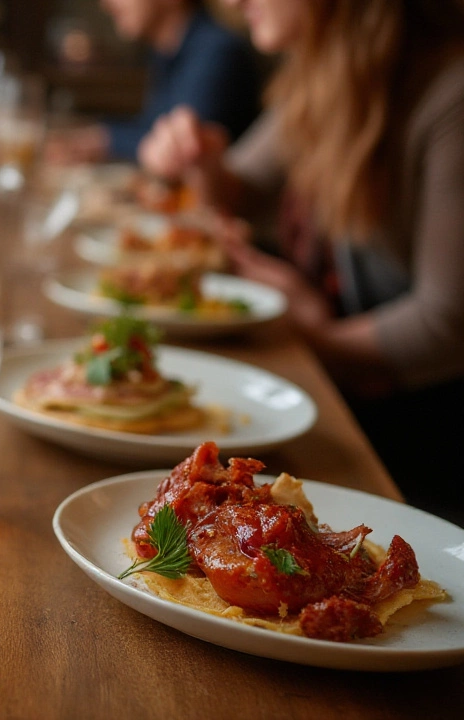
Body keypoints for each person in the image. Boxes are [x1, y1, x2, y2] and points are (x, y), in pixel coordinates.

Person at [138, 0, 464, 522]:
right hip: (339, 396)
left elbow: (448, 324)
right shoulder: (323, 76)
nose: (236, 3)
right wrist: (201, 163)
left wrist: (311, 334)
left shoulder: (450, 94)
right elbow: (240, 188)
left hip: (420, 447)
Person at [46, 0, 261, 164]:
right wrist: (98, 136)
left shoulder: (217, 52)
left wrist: (103, 139)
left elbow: (179, 152)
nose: (107, 4)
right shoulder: (164, 53)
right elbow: (151, 128)